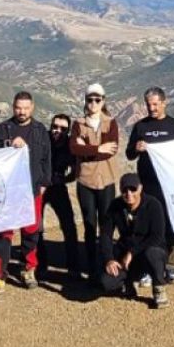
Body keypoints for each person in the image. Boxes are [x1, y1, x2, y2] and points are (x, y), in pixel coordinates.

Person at [0, 91, 51, 299]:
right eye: (18, 107)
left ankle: (28, 269)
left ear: (32, 108)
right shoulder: (3, 130)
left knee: (31, 232)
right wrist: (8, 145)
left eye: (26, 108)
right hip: (8, 192)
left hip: (32, 190)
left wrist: (45, 183)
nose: (22, 111)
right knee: (2, 234)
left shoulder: (40, 131)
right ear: (13, 107)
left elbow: (47, 159)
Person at [125, 87, 174, 282]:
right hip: (147, 185)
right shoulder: (140, 126)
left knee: (171, 224)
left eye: (156, 104)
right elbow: (129, 154)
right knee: (147, 226)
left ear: (164, 103)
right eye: (149, 104)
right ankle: (148, 267)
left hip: (170, 184)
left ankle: (172, 265)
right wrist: (136, 147)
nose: (152, 108)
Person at [68, 83, 120, 280]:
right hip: (86, 181)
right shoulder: (78, 123)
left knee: (106, 223)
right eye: (90, 100)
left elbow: (112, 149)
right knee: (89, 224)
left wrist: (87, 148)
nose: (93, 103)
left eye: (97, 100)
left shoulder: (111, 123)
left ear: (103, 101)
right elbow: (74, 148)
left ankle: (107, 260)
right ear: (85, 101)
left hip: (106, 179)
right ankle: (91, 265)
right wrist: (98, 149)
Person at [101, 173, 170, 309]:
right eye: (124, 190)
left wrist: (132, 253)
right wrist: (109, 259)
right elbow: (106, 234)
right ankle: (127, 283)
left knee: (153, 254)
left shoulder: (153, 205)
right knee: (106, 282)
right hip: (126, 254)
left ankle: (158, 288)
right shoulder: (115, 206)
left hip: (149, 250)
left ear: (140, 188)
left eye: (133, 189)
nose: (129, 193)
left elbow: (157, 236)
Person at [38, 113, 81, 278]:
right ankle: (41, 264)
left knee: (69, 225)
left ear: (67, 130)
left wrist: (66, 179)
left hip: (58, 187)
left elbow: (76, 167)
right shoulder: (43, 140)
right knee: (37, 227)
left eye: (63, 128)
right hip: (41, 187)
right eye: (55, 126)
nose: (58, 130)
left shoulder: (70, 145)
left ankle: (74, 266)